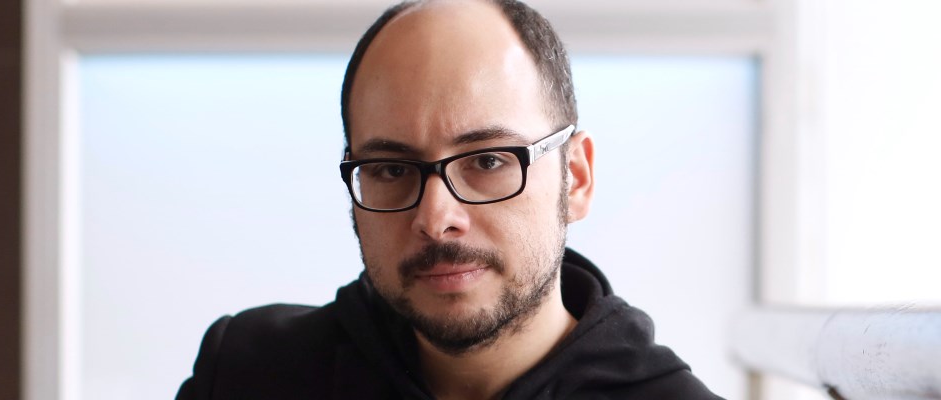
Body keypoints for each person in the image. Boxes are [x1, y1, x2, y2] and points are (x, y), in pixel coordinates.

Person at [176, 0, 722, 399]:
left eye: (487, 161)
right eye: (391, 169)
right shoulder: (247, 373)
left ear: (575, 178)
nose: (436, 219)